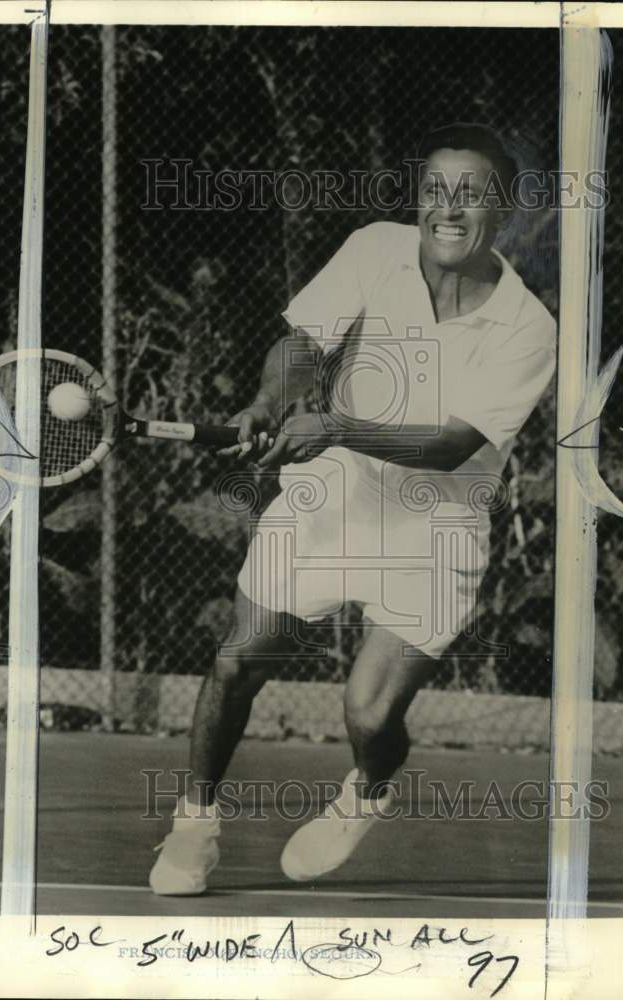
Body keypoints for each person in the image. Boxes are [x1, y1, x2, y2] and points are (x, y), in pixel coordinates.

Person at [149, 123, 556, 895]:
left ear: (501, 207)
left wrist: (331, 424)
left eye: (470, 193)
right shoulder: (374, 248)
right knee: (242, 656)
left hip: (437, 526)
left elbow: (446, 444)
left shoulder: (529, 328)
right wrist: (265, 402)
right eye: (435, 189)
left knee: (368, 715)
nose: (447, 208)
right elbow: (302, 342)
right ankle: (193, 828)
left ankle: (367, 788)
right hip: (333, 493)